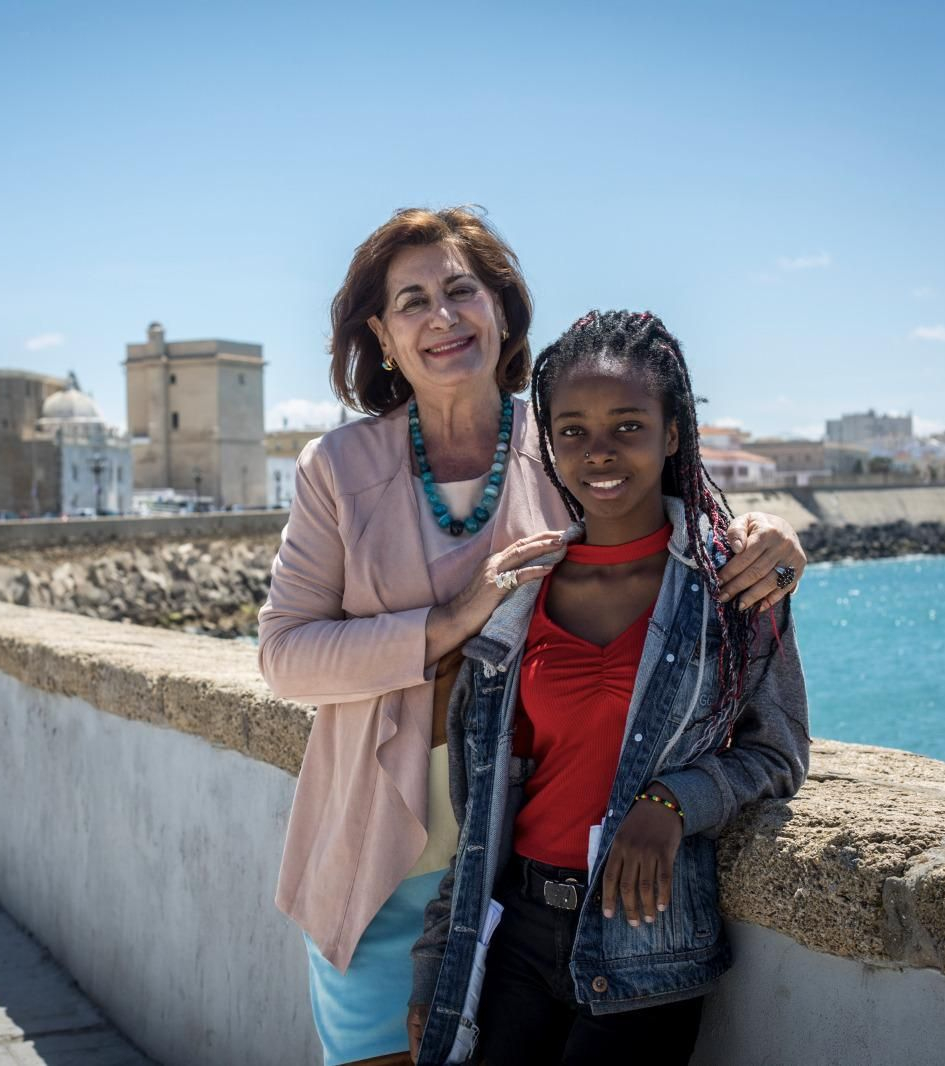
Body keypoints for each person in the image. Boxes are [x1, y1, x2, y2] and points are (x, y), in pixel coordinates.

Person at [257, 208, 807, 1066]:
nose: (442, 317)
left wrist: (774, 535)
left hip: (518, 863)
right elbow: (284, 658)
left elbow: (692, 531)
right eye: (412, 301)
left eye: (460, 290)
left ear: (503, 312)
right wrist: (452, 619)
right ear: (383, 334)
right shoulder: (337, 467)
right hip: (375, 849)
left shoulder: (566, 439)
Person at [408, 310, 810, 1065]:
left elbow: (778, 752)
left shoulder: (732, 585)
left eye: (627, 426)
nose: (599, 453)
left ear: (673, 434)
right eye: (572, 431)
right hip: (516, 931)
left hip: (647, 940)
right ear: (549, 443)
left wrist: (673, 803)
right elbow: (484, 804)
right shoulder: (517, 591)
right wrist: (439, 965)